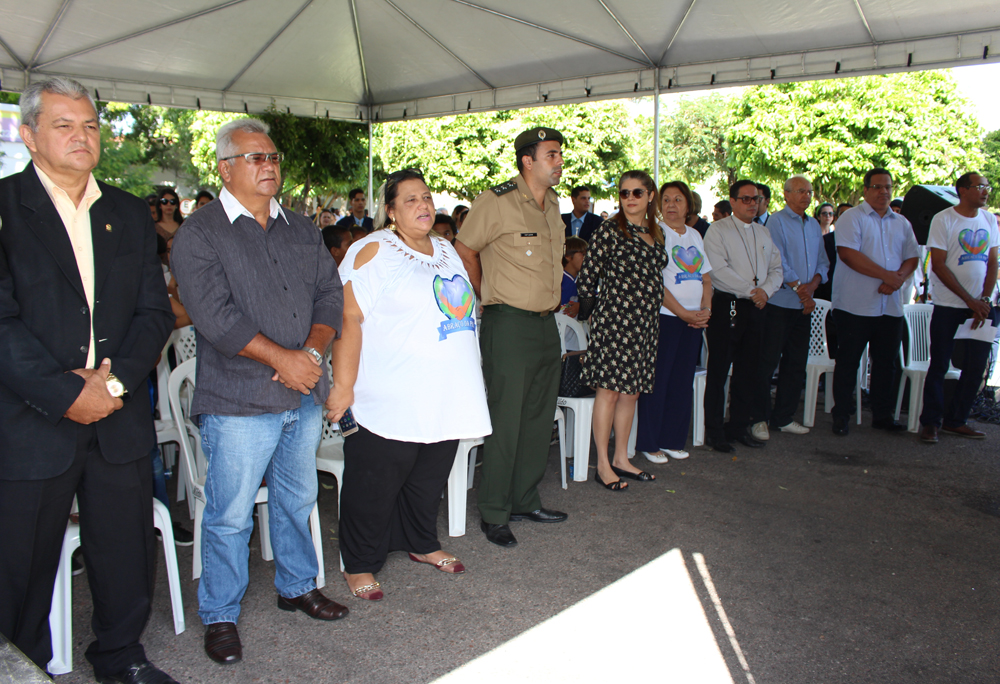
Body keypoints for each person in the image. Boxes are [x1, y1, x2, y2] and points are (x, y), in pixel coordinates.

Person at [0, 77, 177, 683]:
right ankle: (21, 666)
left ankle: (122, 655)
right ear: (28, 135)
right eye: (64, 125)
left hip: (116, 416)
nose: (82, 136)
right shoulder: (5, 208)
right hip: (30, 421)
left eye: (91, 125)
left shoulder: (127, 213)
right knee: (19, 561)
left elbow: (155, 313)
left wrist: (113, 387)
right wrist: (65, 391)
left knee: (124, 549)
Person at [171, 118, 348, 667]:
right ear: (226, 168)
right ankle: (220, 613)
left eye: (273, 157)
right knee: (230, 514)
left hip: (300, 390)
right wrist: (285, 360)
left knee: (298, 498)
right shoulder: (199, 234)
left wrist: (312, 357)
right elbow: (215, 318)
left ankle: (296, 585)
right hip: (241, 398)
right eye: (256, 158)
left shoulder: (300, 228)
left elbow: (328, 294)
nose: (269, 165)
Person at [325, 168, 491, 600]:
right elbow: (349, 316)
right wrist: (343, 386)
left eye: (426, 197)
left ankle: (421, 542)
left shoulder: (445, 248)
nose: (423, 205)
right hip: (390, 392)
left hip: (445, 391)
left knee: (428, 474)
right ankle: (359, 562)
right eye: (410, 199)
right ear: (391, 211)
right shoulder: (373, 249)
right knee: (374, 479)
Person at [456, 127, 568, 548]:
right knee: (506, 419)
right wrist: (484, 295)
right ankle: (495, 510)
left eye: (559, 154)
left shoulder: (553, 203)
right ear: (527, 160)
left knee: (538, 417)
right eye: (551, 154)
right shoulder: (496, 200)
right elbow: (465, 249)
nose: (559, 161)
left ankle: (524, 498)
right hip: (509, 323)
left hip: (545, 323)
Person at [576, 171, 667, 489]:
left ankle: (621, 458)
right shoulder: (610, 230)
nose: (630, 198)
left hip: (645, 326)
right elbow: (587, 276)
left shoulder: (657, 232)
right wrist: (590, 318)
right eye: (624, 193)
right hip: (615, 323)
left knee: (632, 393)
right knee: (609, 392)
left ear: (650, 196)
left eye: (637, 193)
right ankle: (602, 463)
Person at [830, 168, 919, 436]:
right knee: (848, 362)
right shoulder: (852, 218)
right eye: (878, 187)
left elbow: (912, 256)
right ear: (866, 189)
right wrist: (887, 276)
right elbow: (847, 255)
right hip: (855, 307)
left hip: (890, 308)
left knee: (886, 364)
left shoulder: (901, 222)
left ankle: (882, 415)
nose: (884, 192)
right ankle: (842, 414)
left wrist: (898, 279)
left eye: (888, 187)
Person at [702, 180, 783, 452]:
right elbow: (717, 270)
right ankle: (714, 431)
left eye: (756, 199)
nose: (752, 204)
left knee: (749, 371)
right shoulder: (718, 230)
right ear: (733, 201)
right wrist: (751, 291)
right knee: (719, 371)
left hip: (758, 307)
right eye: (746, 199)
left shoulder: (763, 232)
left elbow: (776, 269)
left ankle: (738, 426)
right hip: (729, 305)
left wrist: (765, 293)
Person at [636, 181, 712, 464]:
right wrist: (682, 312)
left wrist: (704, 311)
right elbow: (654, 283)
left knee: (682, 382)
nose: (671, 205)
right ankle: (649, 441)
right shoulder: (655, 234)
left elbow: (706, 278)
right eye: (666, 199)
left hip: (693, 321)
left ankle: (672, 440)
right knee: (658, 381)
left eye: (677, 200)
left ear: (688, 205)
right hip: (666, 319)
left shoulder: (694, 234)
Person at [919, 173, 999, 443]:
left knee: (976, 367)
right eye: (979, 187)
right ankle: (931, 423)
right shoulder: (944, 219)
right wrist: (970, 301)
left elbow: (993, 263)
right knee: (940, 364)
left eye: (987, 187)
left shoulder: (989, 220)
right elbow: (938, 265)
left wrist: (984, 301)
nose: (985, 191)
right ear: (963, 190)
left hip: (981, 308)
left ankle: (957, 420)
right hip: (949, 306)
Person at [756, 175, 830, 439]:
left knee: (796, 363)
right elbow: (778, 262)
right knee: (767, 362)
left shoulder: (813, 224)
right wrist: (801, 289)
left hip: (803, 306)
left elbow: (823, 261)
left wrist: (813, 286)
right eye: (800, 191)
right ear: (786, 195)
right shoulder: (776, 222)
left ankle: (783, 417)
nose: (806, 196)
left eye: (809, 192)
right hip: (780, 303)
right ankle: (760, 418)